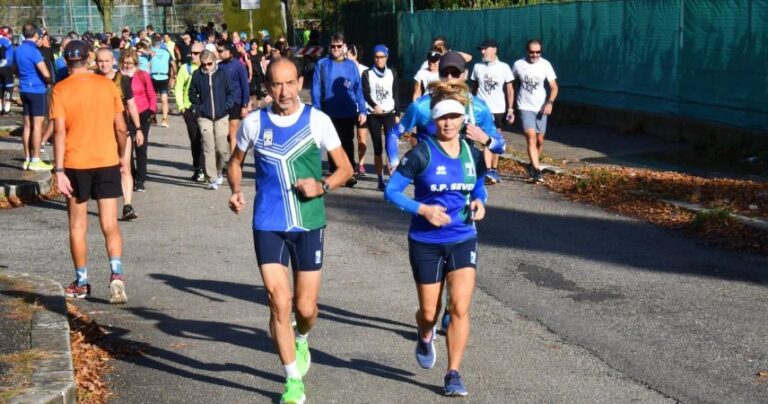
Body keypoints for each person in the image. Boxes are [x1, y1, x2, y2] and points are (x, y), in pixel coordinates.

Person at [227, 57, 353, 404]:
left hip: (309, 222)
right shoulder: (254, 123)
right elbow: (234, 162)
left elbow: (345, 168)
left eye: (289, 83)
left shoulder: (318, 121)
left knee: (306, 308)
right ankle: (292, 380)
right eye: (276, 85)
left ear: (300, 83)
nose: (284, 92)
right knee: (278, 302)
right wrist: (235, 191)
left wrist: (323, 186)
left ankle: (302, 337)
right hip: (268, 223)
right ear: (267, 87)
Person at [384, 79, 487, 397]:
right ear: (435, 120)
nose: (449, 123)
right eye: (443, 118)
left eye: (455, 117)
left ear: (462, 119)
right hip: (426, 241)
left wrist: (480, 201)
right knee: (429, 312)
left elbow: (479, 184)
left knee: (459, 307)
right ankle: (425, 333)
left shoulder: (471, 152)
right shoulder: (421, 153)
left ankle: (453, 373)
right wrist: (422, 209)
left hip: (462, 236)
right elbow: (391, 192)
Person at [51, 40, 129, 304]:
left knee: (77, 224)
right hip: (106, 158)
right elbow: (121, 127)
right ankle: (116, 275)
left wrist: (58, 169)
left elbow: (59, 132)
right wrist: (120, 155)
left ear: (65, 60)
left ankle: (82, 280)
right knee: (109, 223)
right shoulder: (107, 85)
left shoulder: (60, 89)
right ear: (90, 58)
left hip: (75, 162)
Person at [386, 51, 505, 171]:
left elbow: (501, 146)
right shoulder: (421, 106)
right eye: (444, 73)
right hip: (430, 175)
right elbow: (393, 134)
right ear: (438, 74)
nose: (449, 78)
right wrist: (395, 162)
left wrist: (486, 139)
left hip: (462, 175)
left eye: (455, 73)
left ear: (465, 74)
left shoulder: (478, 107)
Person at [311, 32, 366, 186]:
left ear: (344, 46)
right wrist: (316, 109)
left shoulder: (351, 66)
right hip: (328, 112)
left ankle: (349, 173)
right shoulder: (322, 64)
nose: (335, 49)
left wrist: (362, 110)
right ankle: (336, 171)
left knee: (348, 142)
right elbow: (316, 88)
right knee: (331, 143)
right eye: (333, 46)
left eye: (339, 46)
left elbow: (358, 89)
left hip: (348, 111)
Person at [96, 48, 144, 221]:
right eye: (100, 61)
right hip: (99, 131)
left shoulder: (122, 79)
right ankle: (104, 202)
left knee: (124, 165)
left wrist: (138, 129)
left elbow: (131, 105)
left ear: (113, 61)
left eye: (107, 61)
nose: (104, 64)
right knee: (103, 168)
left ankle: (127, 205)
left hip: (122, 129)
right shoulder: (92, 79)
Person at [512, 39, 558, 183]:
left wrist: (549, 103)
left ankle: (533, 165)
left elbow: (554, 87)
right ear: (527, 51)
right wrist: (510, 105)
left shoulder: (545, 65)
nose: (535, 55)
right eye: (532, 52)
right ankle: (537, 171)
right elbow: (511, 84)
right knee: (531, 136)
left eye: (538, 52)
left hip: (541, 107)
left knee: (539, 140)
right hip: (524, 106)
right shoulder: (518, 65)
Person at [189, 49, 235, 190]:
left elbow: (231, 93)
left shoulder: (222, 74)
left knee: (221, 149)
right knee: (208, 147)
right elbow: (191, 92)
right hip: (204, 117)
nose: (207, 67)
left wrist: (225, 106)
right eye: (204, 64)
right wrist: (198, 107)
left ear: (214, 61)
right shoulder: (197, 75)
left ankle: (220, 171)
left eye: (209, 64)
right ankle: (212, 178)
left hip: (221, 116)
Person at [470, 39, 514, 184]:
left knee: (496, 139)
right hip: (482, 110)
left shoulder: (504, 67)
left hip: (499, 109)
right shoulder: (477, 67)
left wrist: (510, 109)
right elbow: (473, 88)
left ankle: (494, 169)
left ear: (494, 50)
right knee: (485, 140)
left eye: (485, 49)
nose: (482, 52)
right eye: (481, 49)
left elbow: (509, 89)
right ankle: (487, 170)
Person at [361, 44, 400, 191]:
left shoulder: (393, 73)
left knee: (391, 147)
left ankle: (393, 179)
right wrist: (373, 105)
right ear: (373, 58)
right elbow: (365, 93)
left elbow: (395, 93)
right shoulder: (367, 73)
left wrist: (397, 114)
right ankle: (380, 179)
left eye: (382, 57)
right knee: (377, 148)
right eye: (376, 57)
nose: (379, 60)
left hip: (389, 113)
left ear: (386, 57)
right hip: (374, 115)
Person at [16, 24, 52, 171]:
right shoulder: (34, 51)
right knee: (37, 125)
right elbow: (45, 73)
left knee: (27, 125)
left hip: (24, 89)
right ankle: (36, 159)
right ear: (36, 35)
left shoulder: (17, 50)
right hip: (37, 90)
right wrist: (49, 81)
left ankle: (27, 159)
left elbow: (13, 69)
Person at [122, 48, 156, 192]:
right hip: (124, 115)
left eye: (131, 63)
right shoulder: (119, 77)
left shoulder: (143, 75)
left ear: (136, 62)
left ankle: (141, 179)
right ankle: (130, 176)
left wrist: (151, 111)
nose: (128, 65)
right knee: (126, 149)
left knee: (141, 148)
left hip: (142, 113)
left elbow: (152, 94)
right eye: (125, 62)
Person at [174, 42, 205, 182]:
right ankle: (198, 168)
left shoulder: (209, 67)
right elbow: (178, 88)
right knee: (195, 139)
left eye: (196, 53)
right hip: (189, 109)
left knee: (209, 139)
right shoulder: (185, 68)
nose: (193, 55)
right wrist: (181, 107)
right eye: (192, 53)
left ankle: (209, 168)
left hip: (206, 109)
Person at [216, 40, 251, 154]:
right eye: (217, 50)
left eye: (220, 51)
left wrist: (245, 105)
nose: (218, 53)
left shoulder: (239, 66)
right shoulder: (218, 66)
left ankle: (233, 162)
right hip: (221, 103)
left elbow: (245, 86)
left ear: (229, 51)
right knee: (223, 133)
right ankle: (223, 160)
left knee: (233, 133)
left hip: (236, 102)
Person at [345, 44, 369, 177]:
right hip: (348, 108)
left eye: (347, 55)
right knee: (348, 138)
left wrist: (365, 108)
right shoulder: (345, 70)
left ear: (354, 55)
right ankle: (349, 164)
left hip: (362, 109)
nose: (345, 57)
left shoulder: (365, 71)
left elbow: (368, 90)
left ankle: (361, 164)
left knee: (362, 137)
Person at [150, 34, 175, 127]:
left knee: (153, 99)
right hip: (164, 77)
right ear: (160, 42)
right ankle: (164, 120)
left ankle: (153, 118)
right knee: (164, 99)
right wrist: (174, 75)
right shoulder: (166, 52)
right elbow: (173, 64)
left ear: (152, 42)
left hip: (153, 77)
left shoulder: (150, 52)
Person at [0, 26, 15, 115]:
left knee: (1, 87)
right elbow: (2, 49)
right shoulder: (6, 40)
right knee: (9, 87)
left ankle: (0, 108)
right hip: (6, 67)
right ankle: (6, 109)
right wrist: (3, 59)